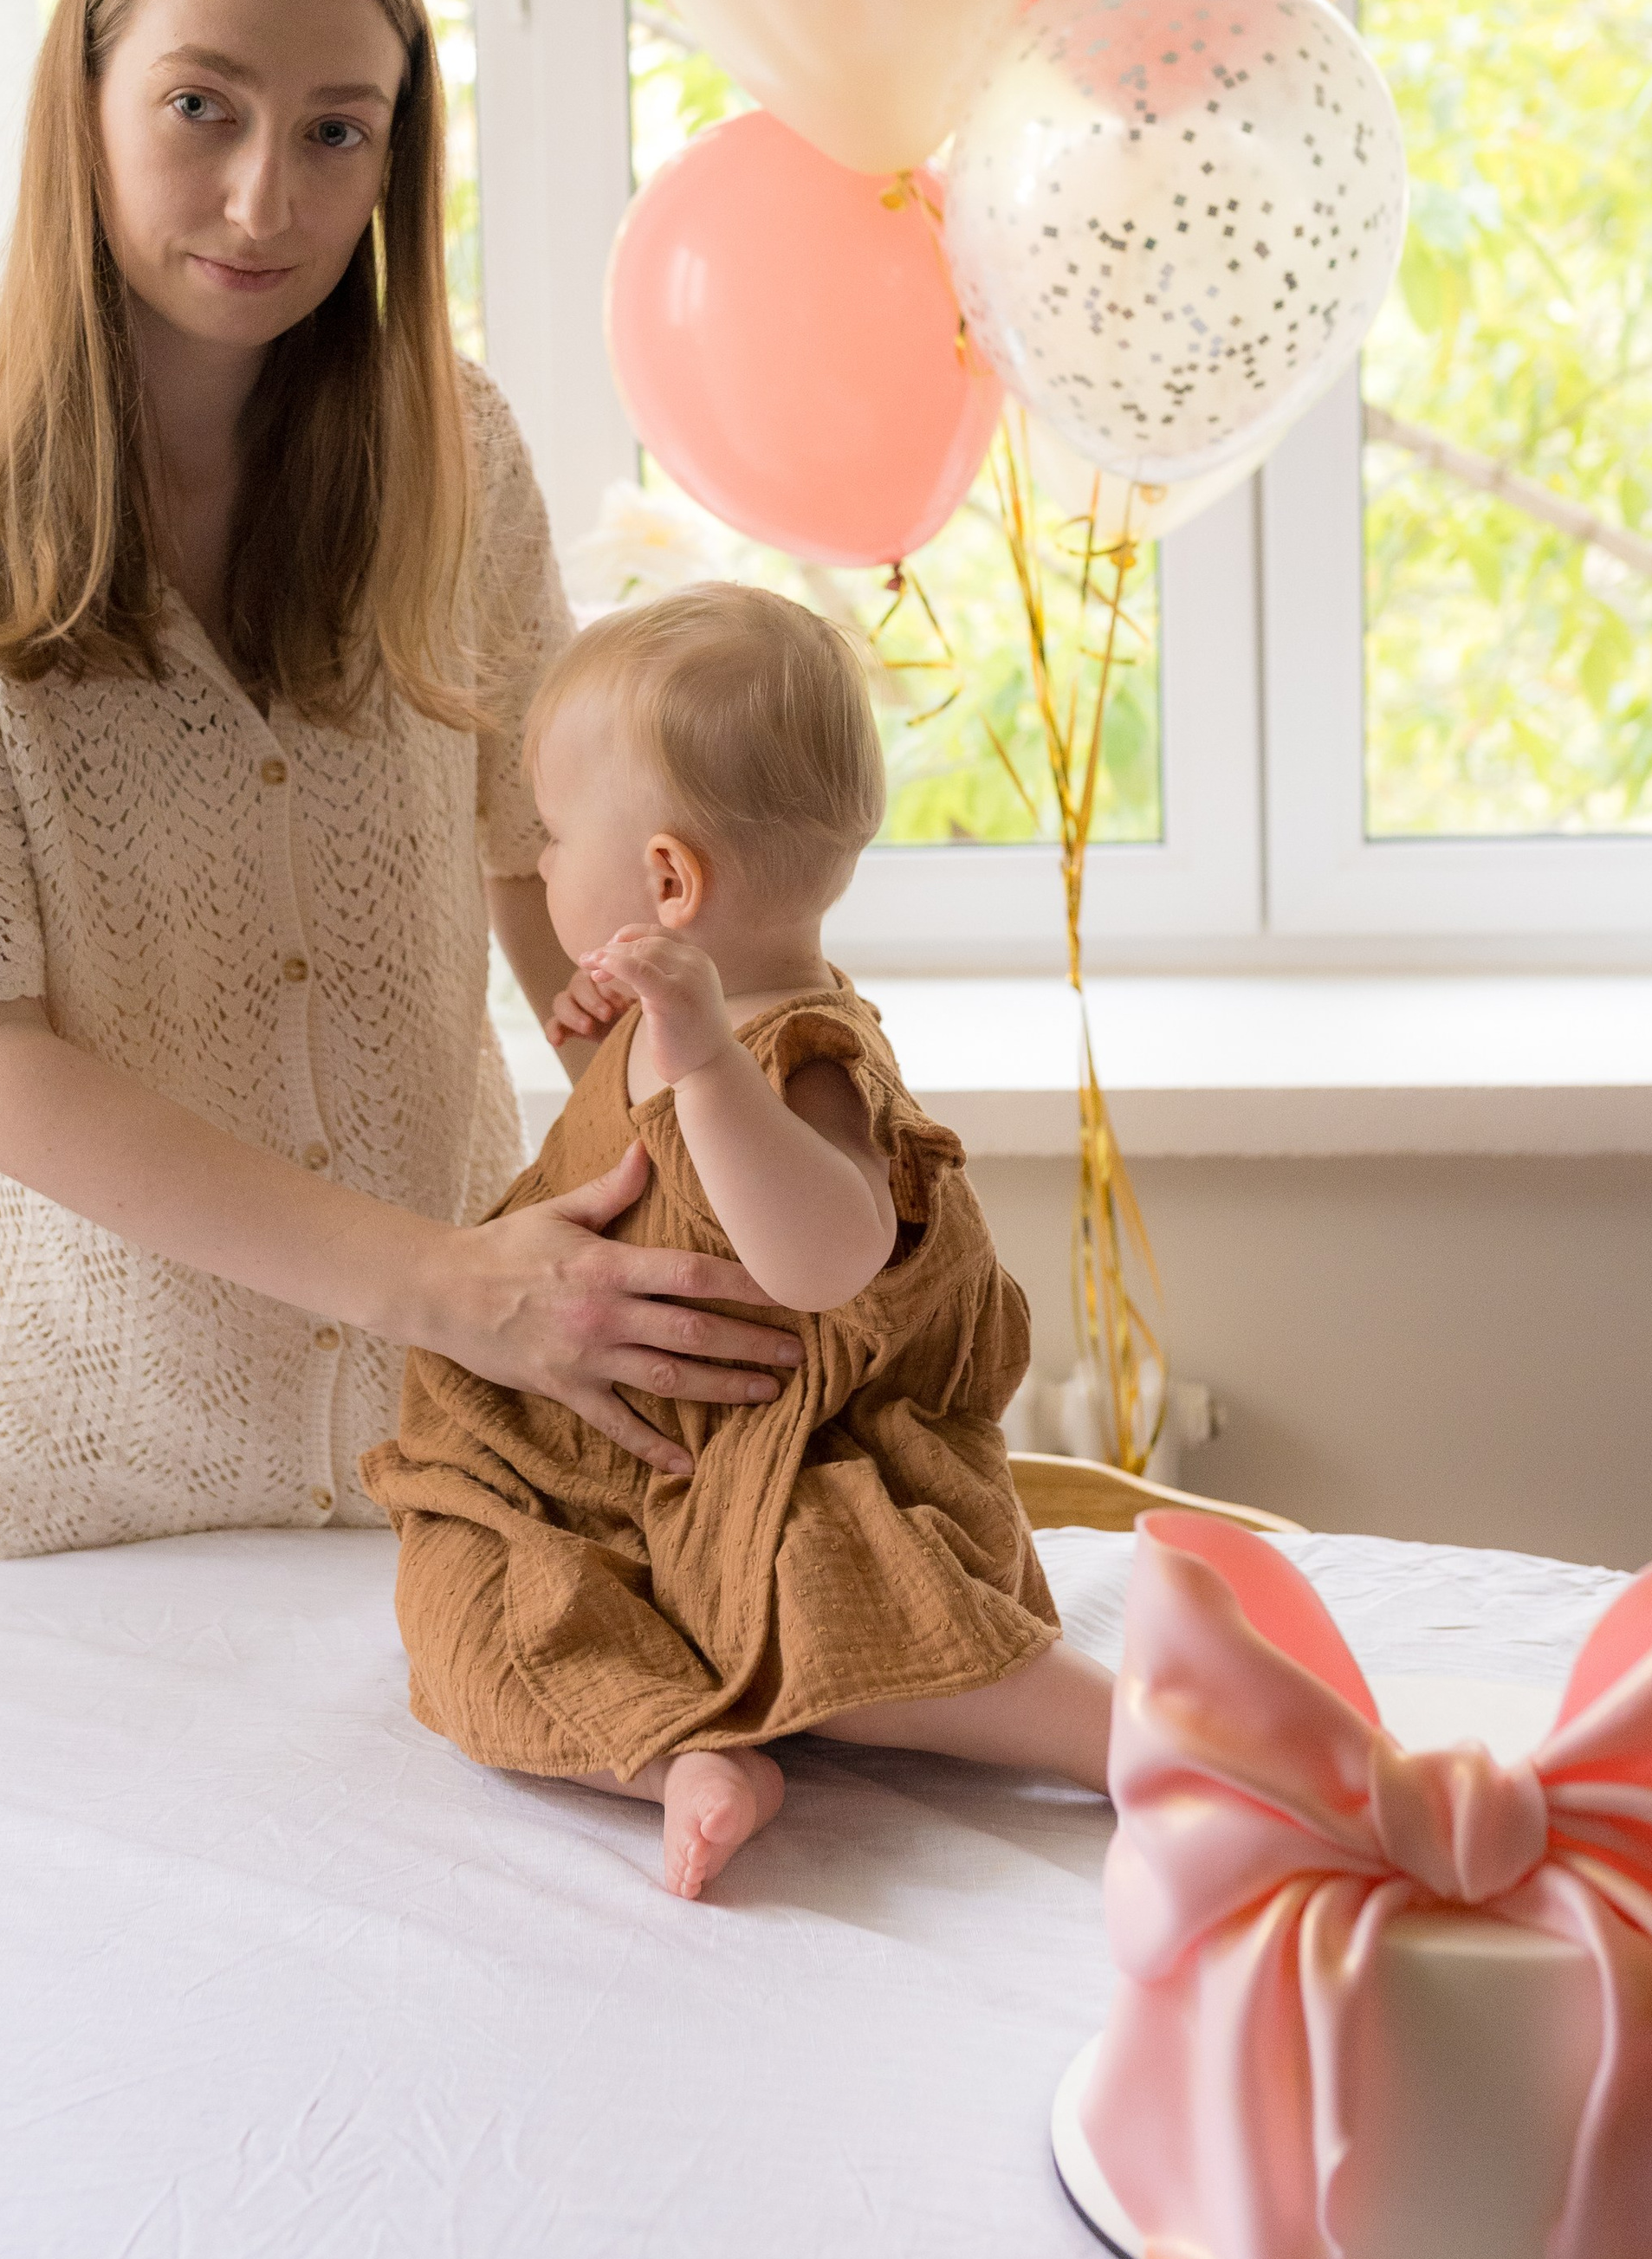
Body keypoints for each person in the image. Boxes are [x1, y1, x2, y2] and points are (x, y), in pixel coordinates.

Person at [0, 0, 801, 1581]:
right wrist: (453, 1283)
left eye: (333, 130)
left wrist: (723, 1128)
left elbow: (546, 874)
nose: (264, 202)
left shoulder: (459, 459)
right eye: (200, 109)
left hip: (436, 1460)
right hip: (41, 1502)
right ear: (83, 105)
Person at [363, 585, 1115, 1900]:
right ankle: (677, 1759)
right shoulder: (663, 1014)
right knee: (472, 1611)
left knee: (836, 1601)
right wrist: (632, 1027)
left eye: (551, 835)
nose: (537, 866)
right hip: (601, 1484)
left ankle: (1116, 1734)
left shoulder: (800, 1056)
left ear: (665, 879)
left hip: (772, 1473)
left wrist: (704, 1058)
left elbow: (825, 1260)